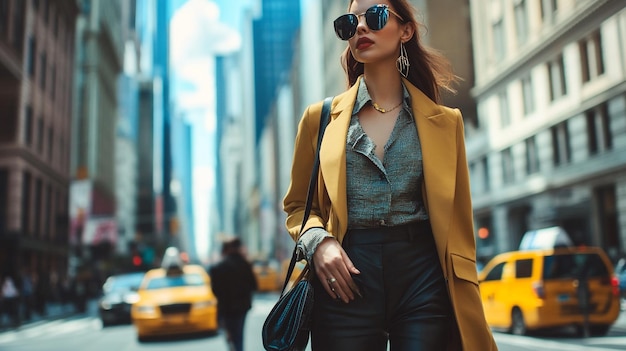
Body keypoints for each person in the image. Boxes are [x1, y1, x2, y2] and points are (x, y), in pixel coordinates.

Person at [282, 1, 498, 350]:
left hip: (422, 276)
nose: (361, 28)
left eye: (376, 16)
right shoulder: (318, 119)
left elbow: (459, 227)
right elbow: (296, 206)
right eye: (350, 23)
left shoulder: (446, 123)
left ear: (406, 30)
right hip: (345, 278)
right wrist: (318, 243)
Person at [209, 238, 257, 351]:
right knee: (239, 335)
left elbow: (215, 290)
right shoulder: (245, 264)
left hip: (225, 308)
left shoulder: (217, 267)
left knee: (230, 335)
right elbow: (254, 285)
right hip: (242, 307)